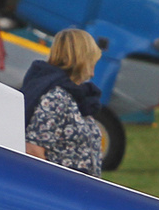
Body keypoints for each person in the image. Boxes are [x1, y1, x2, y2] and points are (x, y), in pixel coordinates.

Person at [21, 28, 103, 176]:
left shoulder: (77, 98)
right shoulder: (57, 97)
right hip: (59, 190)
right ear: (82, 58)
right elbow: (33, 150)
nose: (94, 65)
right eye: (92, 58)